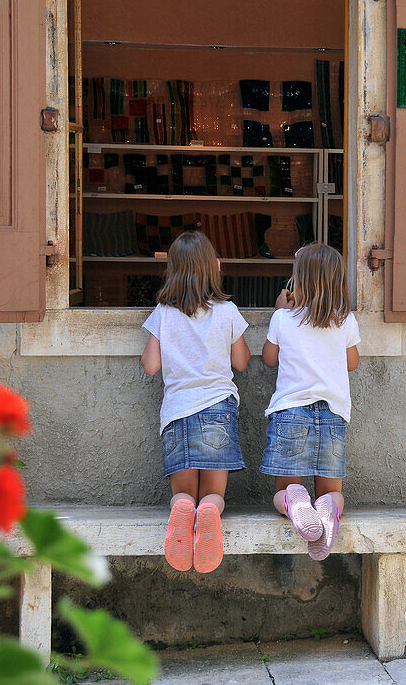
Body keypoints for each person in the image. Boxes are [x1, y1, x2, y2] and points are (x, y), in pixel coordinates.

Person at [141, 231, 251, 574]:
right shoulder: (228, 310)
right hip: (218, 408)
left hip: (177, 411)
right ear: (213, 268)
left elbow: (151, 365)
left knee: (184, 494)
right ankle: (210, 512)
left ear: (172, 271)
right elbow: (242, 362)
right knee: (214, 494)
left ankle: (185, 508)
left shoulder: (163, 312)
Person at [261, 243, 361, 561]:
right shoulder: (345, 320)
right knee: (332, 491)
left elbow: (269, 358)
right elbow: (352, 362)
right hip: (332, 414)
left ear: (298, 281)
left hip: (290, 413)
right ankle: (328, 507)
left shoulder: (283, 319)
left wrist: (280, 310)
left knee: (283, 490)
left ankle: (294, 501)